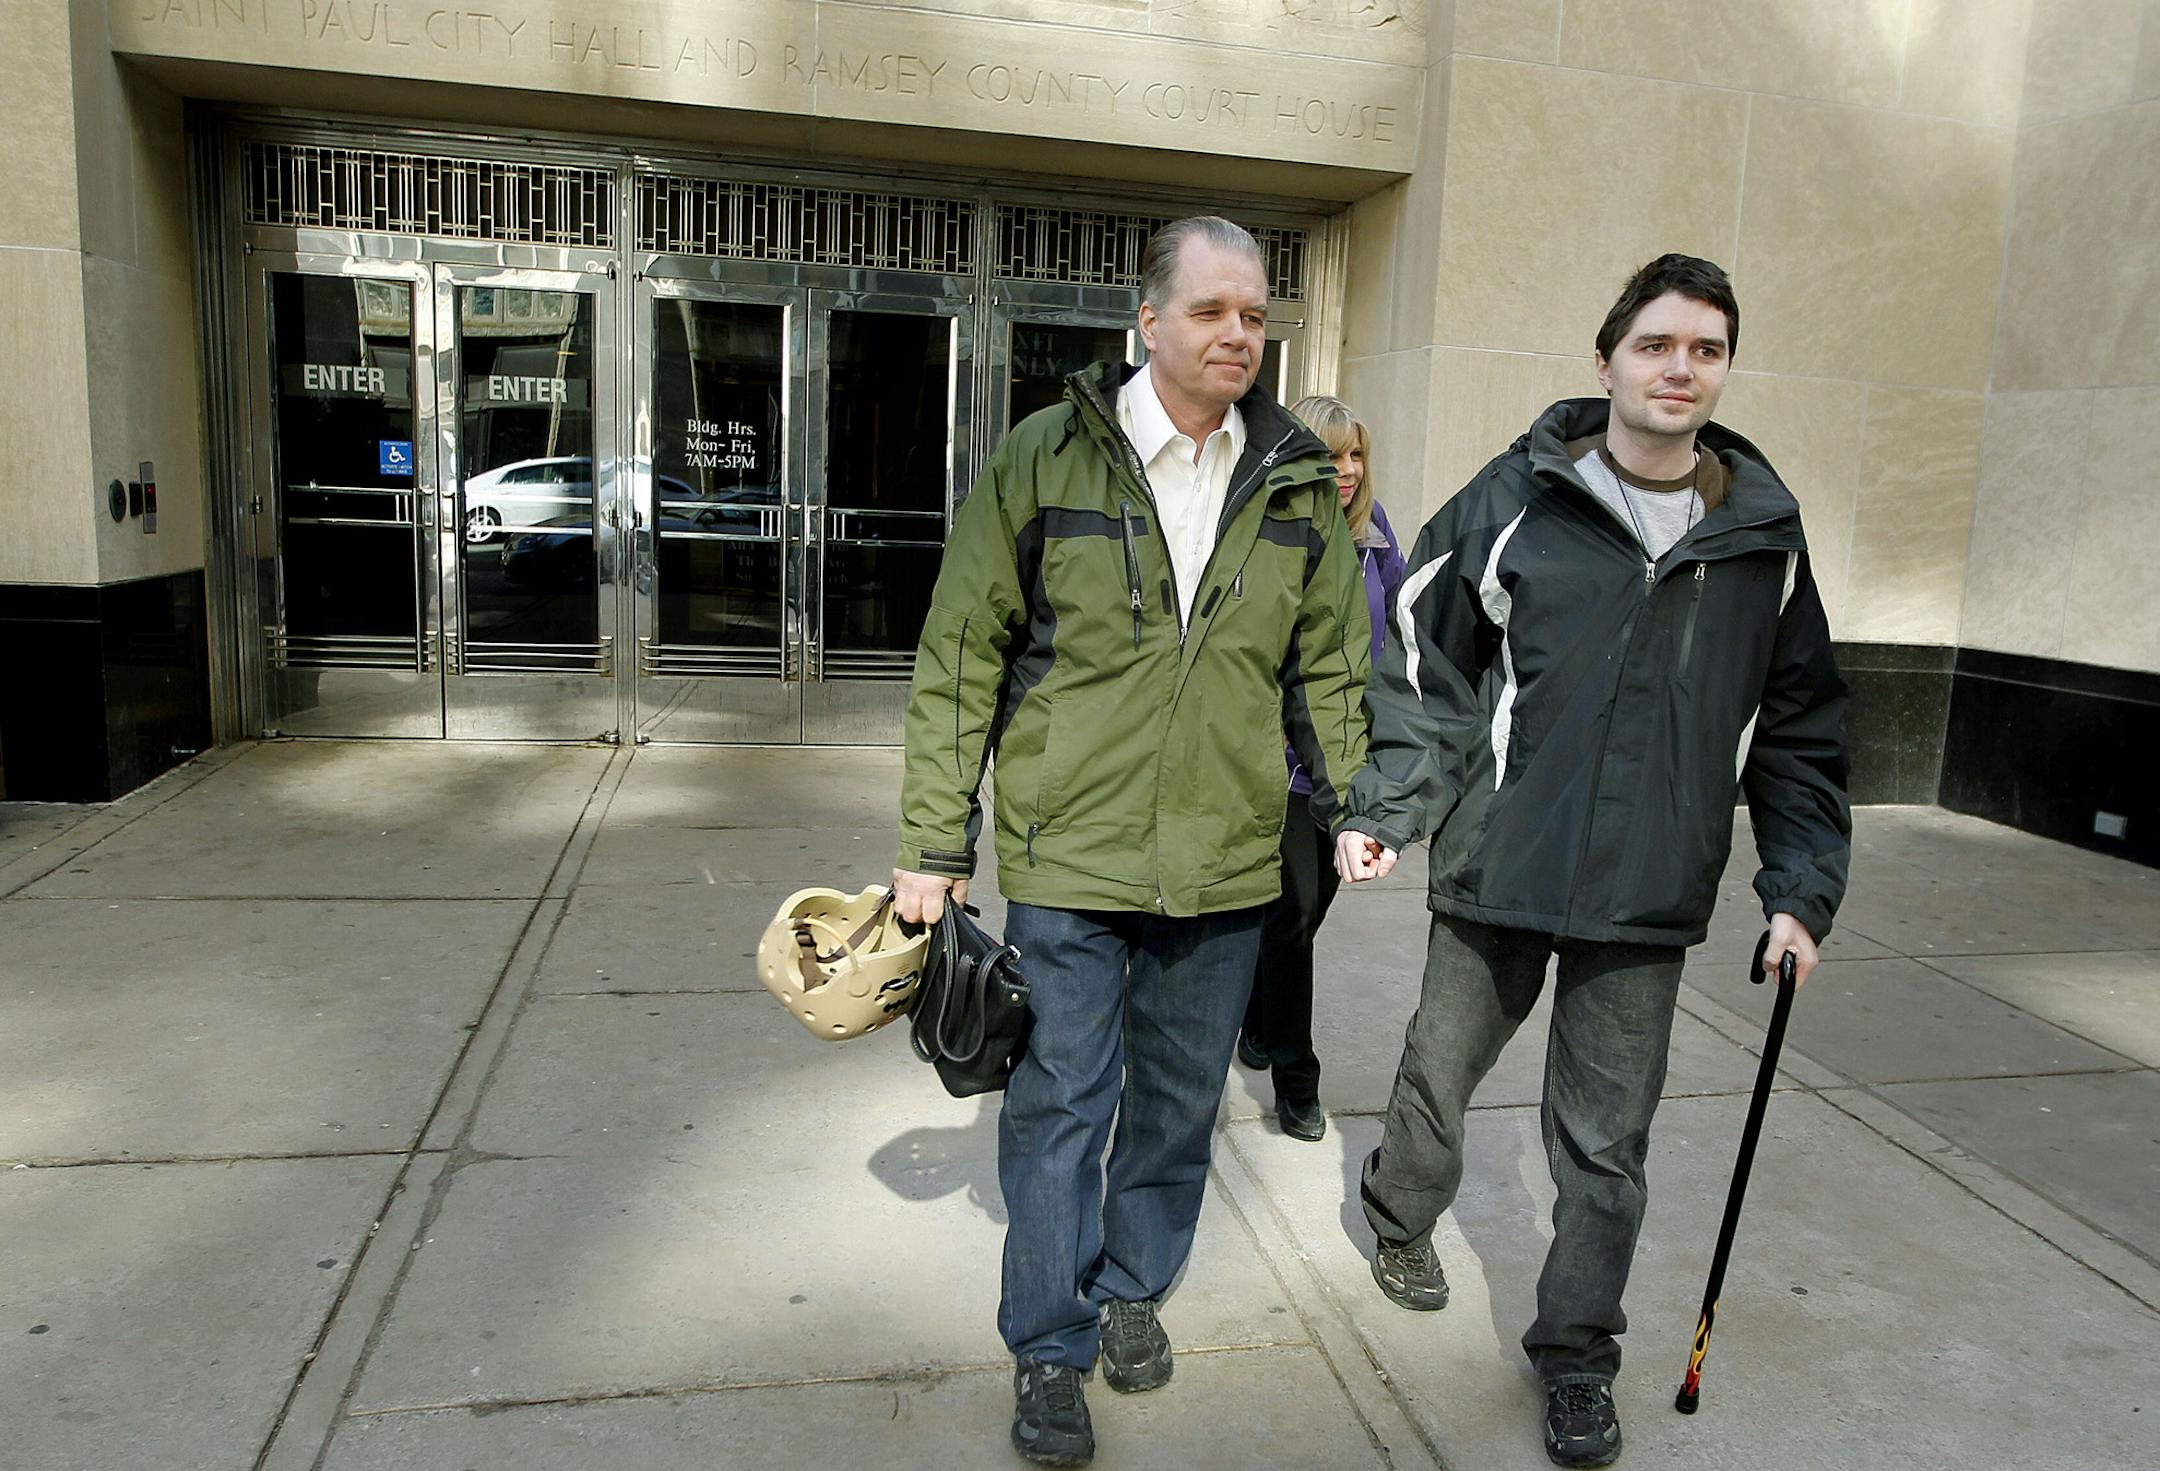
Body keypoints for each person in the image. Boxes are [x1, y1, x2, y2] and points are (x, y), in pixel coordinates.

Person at [1334, 254, 1850, 1468]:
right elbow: (1425, 663)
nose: (1682, 368)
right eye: (1658, 345)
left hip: (1646, 888)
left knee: (1607, 1149)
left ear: (1724, 369)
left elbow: (1803, 729)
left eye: (1707, 349)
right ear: (1607, 359)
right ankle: (1401, 1211)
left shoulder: (1760, 542)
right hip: (1502, 858)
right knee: (1436, 1077)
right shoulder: (1518, 498)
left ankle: (1576, 1356)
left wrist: (1800, 891)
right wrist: (1393, 805)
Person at [890, 216, 1370, 1468]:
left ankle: (1130, 1289)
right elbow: (960, 653)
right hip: (1073, 856)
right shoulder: (1047, 459)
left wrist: (1365, 800)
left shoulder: (1296, 480)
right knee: (1058, 1102)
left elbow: (1331, 663)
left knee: (1173, 1108)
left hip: (1223, 859)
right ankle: (1047, 1346)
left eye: (1255, 316)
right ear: (1147, 322)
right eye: (1210, 311)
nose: (1236, 335)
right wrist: (935, 843)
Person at [1235, 395, 1405, 1142]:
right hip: (1278, 764)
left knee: (1301, 917)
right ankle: (1297, 1080)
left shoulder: (1376, 537)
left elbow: (1400, 636)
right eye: (1331, 454)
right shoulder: (1266, 530)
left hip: (1346, 763)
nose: (1345, 471)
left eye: (1355, 455)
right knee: (1295, 921)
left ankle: (1252, 1012)